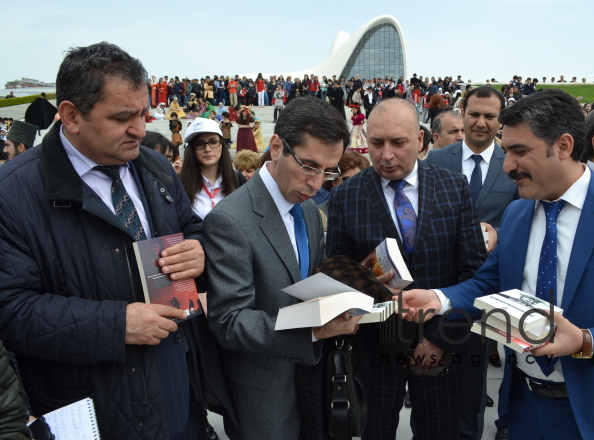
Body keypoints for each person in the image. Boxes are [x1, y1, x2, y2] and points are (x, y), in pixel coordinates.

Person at [0, 42, 236, 440]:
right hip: (93, 411)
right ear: (71, 116)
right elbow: (11, 311)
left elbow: (192, 229)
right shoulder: (13, 193)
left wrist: (200, 252)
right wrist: (115, 325)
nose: (141, 130)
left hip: (180, 391)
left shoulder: (155, 166)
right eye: (123, 117)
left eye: (143, 114)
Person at [398, 89, 594, 440]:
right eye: (506, 152)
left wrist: (585, 341)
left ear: (564, 146)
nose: (507, 166)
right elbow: (488, 282)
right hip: (525, 408)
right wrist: (439, 299)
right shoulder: (518, 212)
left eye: (520, 152)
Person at [326, 98, 487, 440]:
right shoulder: (346, 197)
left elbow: (474, 273)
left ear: (420, 140)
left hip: (443, 346)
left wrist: (439, 339)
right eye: (376, 143)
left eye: (398, 143)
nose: (386, 155)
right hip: (375, 349)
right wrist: (364, 281)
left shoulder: (454, 188)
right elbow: (335, 272)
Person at [204, 96, 361, 440]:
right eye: (309, 166)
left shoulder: (305, 209)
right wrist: (313, 332)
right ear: (276, 147)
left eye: (328, 171)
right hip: (265, 395)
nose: (317, 184)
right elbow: (229, 321)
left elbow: (306, 282)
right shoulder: (230, 220)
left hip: (314, 379)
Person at [426, 85, 519, 440]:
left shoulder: (511, 162)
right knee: (432, 378)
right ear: (462, 113)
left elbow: (522, 216)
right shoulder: (437, 160)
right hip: (443, 285)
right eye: (474, 114)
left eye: (490, 116)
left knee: (474, 380)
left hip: (490, 289)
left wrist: (495, 231)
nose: (481, 122)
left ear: (500, 120)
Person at [179, 118, 243, 220]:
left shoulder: (237, 178)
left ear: (222, 144)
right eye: (200, 144)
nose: (207, 149)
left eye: (213, 142)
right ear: (192, 149)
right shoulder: (180, 183)